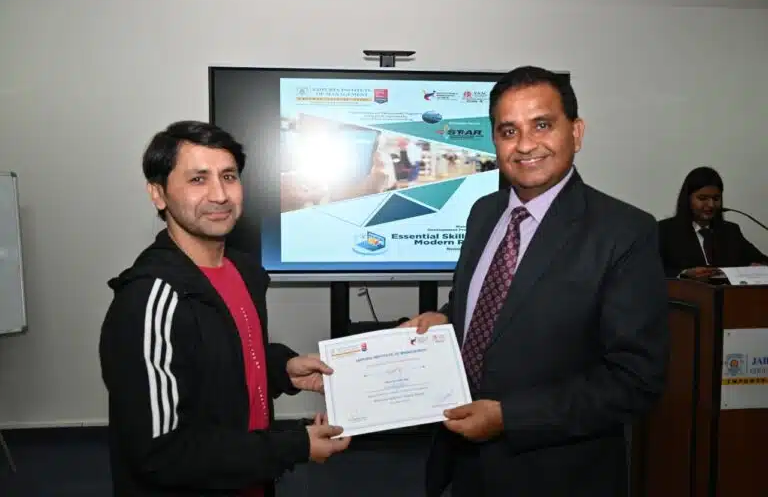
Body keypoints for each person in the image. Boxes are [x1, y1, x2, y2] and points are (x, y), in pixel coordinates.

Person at [401, 66, 669, 497]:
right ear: (494, 141)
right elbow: (491, 308)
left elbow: (635, 379)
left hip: (557, 474)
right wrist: (445, 320)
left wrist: (509, 418)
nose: (525, 145)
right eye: (509, 131)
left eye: (542, 125)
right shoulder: (483, 213)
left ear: (576, 133)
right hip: (464, 465)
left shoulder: (625, 232)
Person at [99, 121, 350, 497]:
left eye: (228, 177)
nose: (219, 195)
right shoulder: (150, 298)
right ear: (158, 194)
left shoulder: (243, 271)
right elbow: (160, 454)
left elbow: (218, 360)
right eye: (198, 179)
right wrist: (294, 445)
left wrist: (281, 369)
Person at [657, 166, 768, 279]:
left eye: (716, 198)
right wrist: (684, 273)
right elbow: (652, 270)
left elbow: (761, 260)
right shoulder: (664, 230)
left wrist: (758, 268)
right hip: (685, 290)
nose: (711, 205)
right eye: (702, 198)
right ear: (687, 199)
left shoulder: (730, 231)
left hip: (726, 290)